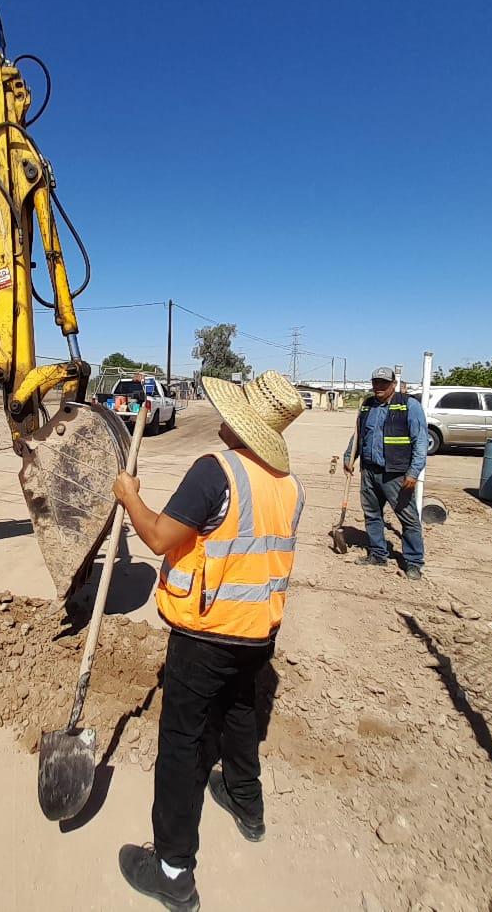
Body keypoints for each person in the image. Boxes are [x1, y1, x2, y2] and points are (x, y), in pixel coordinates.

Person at [111, 370, 305, 912]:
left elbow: (157, 537)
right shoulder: (290, 484)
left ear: (241, 422)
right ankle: (246, 803)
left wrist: (129, 497)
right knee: (241, 713)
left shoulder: (213, 472)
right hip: (258, 633)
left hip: (205, 634)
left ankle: (172, 870)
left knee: (182, 743)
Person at [342, 366, 428, 579]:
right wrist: (349, 457)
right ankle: (378, 554)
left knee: (408, 519)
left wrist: (414, 472)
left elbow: (421, 441)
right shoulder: (367, 405)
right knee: (372, 515)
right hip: (369, 472)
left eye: (383, 383)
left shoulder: (409, 405)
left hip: (397, 474)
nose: (378, 387)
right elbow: (358, 435)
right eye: (375, 382)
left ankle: (413, 562)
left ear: (393, 384)